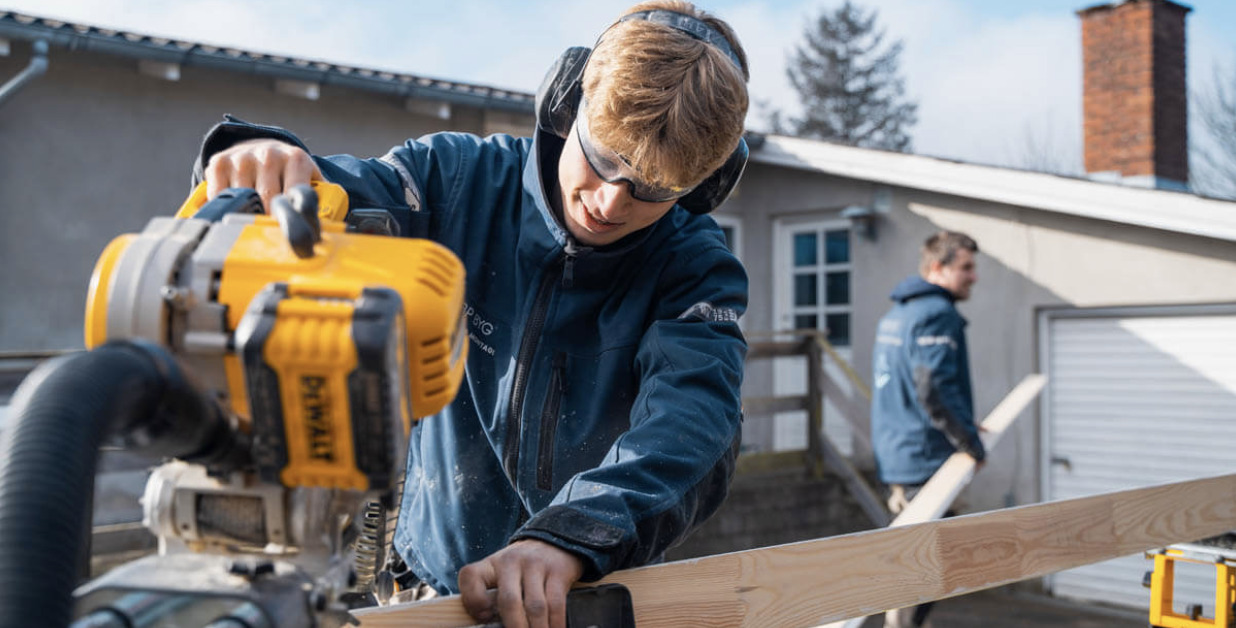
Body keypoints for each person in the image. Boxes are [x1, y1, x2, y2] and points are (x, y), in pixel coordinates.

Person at [193, 3, 750, 627]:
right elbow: (341, 196)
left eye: (653, 188)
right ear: (567, 103)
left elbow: (691, 420)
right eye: (603, 157)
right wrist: (263, 166)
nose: (610, 201)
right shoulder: (454, 181)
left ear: (702, 186)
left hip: (583, 590)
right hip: (430, 590)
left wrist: (571, 536)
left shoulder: (694, 269)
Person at [870, 230, 984, 628]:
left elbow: (909, 388)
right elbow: (933, 386)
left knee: (909, 567)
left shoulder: (897, 315)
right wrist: (971, 443)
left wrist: (965, 423)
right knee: (928, 572)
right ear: (938, 267)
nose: (973, 277)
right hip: (928, 463)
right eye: (966, 268)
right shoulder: (938, 313)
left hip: (899, 459)